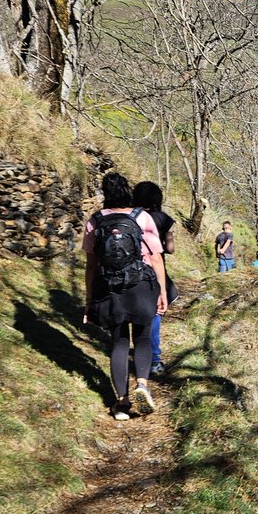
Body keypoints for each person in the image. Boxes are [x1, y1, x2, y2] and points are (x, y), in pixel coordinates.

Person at [82, 173, 168, 421]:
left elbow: (91, 264)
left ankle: (122, 402)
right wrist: (161, 291)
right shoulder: (142, 217)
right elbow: (155, 258)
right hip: (141, 285)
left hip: (109, 288)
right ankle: (142, 383)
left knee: (118, 342)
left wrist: (89, 301)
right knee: (142, 337)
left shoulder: (95, 220)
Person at [134, 181, 177, 375]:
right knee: (155, 316)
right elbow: (170, 249)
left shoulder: (130, 216)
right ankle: (154, 359)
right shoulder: (163, 219)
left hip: (130, 271)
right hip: (153, 271)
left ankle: (139, 354)